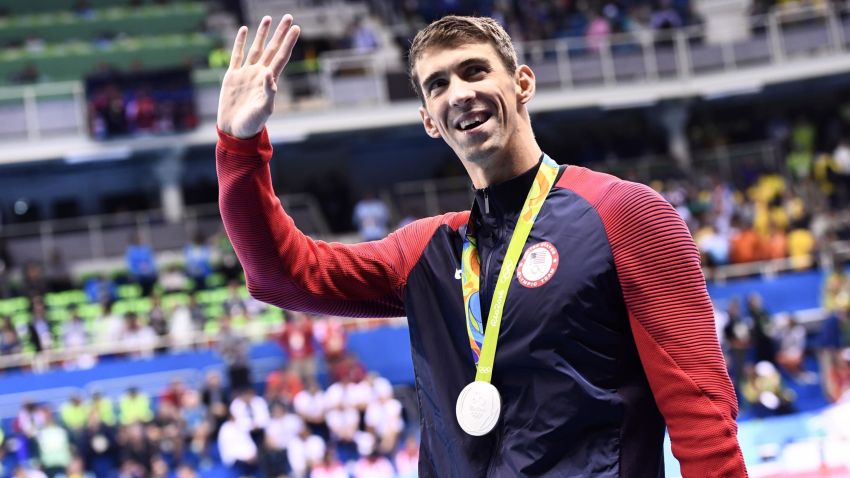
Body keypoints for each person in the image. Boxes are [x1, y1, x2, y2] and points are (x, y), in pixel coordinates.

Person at [215, 14, 745, 476]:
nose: (459, 92)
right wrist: (239, 146)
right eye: (437, 84)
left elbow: (702, 411)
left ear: (522, 83)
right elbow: (284, 274)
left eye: (474, 70)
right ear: (428, 119)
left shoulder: (623, 214)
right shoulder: (428, 252)